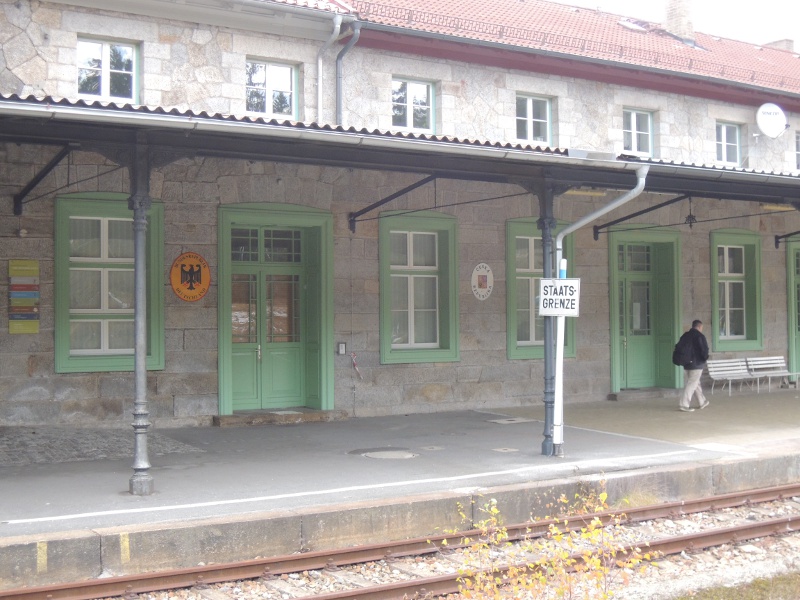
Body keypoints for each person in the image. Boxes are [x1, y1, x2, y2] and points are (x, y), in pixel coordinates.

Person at [677, 319, 710, 412]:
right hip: (697, 364)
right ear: (699, 327)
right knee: (692, 383)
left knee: (695, 382)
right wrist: (704, 358)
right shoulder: (700, 336)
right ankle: (684, 404)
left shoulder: (685, 335)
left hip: (686, 363)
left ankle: (702, 401)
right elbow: (704, 350)